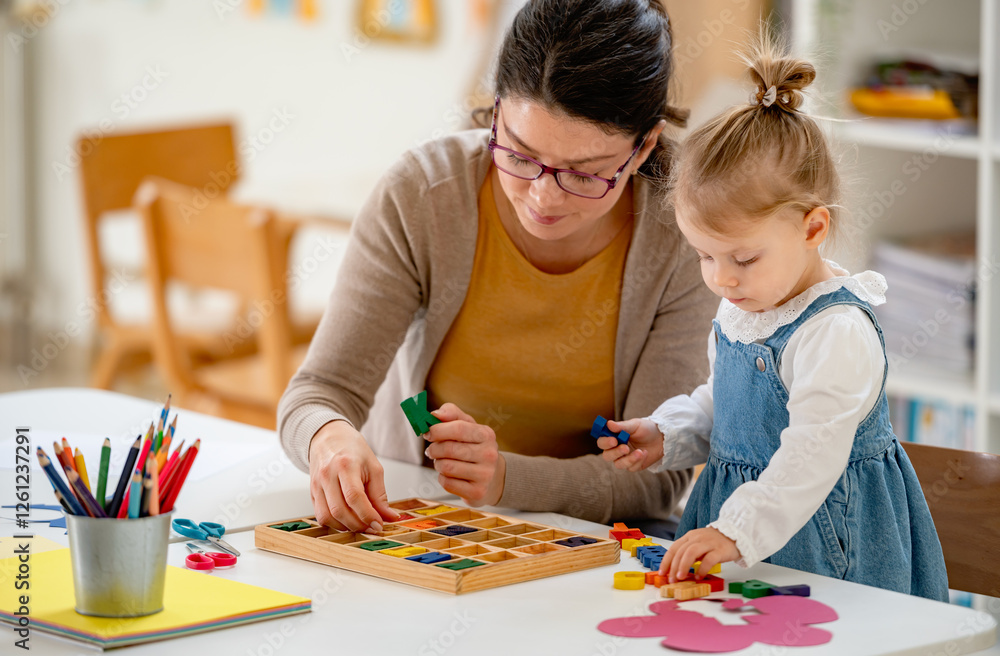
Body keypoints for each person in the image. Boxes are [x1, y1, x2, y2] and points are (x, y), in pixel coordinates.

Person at [277, 0, 718, 535]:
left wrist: (508, 479)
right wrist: (330, 438)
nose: (541, 197)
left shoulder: (684, 239)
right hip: (425, 521)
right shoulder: (423, 195)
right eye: (520, 152)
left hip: (597, 546)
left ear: (645, 145)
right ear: (497, 107)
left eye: (583, 174)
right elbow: (319, 392)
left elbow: (657, 478)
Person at [597, 33, 949, 604]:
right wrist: (668, 434)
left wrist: (736, 530)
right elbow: (726, 404)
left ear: (813, 228)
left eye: (743, 258)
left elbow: (810, 453)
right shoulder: (746, 303)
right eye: (704, 256)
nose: (721, 279)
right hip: (738, 531)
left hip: (828, 541)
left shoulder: (835, 331)